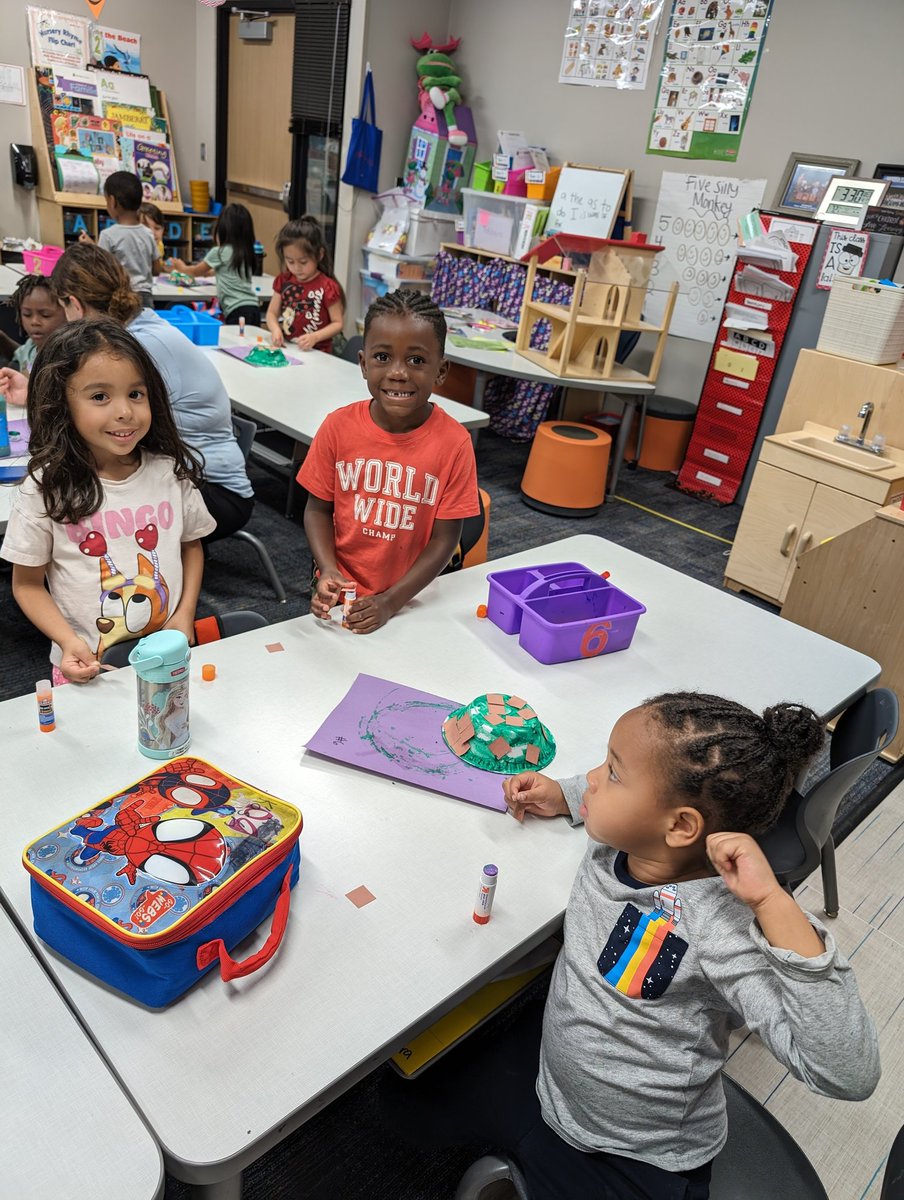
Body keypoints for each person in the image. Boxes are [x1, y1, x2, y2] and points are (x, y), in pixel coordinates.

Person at [382, 692, 880, 1200]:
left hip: (640, 1156)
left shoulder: (719, 927)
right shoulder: (629, 840)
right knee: (402, 1106)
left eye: (612, 773)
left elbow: (846, 1072)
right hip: (555, 1086)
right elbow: (617, 799)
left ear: (681, 826)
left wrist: (773, 903)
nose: (594, 779)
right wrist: (565, 793)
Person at [1, 320, 215, 684]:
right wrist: (68, 642)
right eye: (100, 396)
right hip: (89, 668)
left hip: (169, 655)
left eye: (135, 394)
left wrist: (184, 614)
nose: (125, 412)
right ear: (61, 404)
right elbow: (27, 584)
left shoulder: (168, 473)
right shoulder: (45, 488)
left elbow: (191, 547)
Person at [0, 244, 255, 540]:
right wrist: (31, 389)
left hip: (214, 491)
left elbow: (119, 429)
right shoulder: (137, 329)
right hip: (191, 472)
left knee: (74, 504)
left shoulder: (135, 347)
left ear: (74, 304)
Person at [298, 289, 480, 633]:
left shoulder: (455, 443)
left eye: (416, 361)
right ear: (364, 364)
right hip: (341, 593)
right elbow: (317, 509)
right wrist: (328, 569)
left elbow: (445, 539)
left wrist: (391, 601)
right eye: (383, 357)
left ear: (441, 371)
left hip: (412, 598)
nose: (398, 373)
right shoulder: (337, 427)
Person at [170, 203, 262, 326]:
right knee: (250, 344)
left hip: (236, 310)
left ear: (222, 230)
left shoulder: (219, 252)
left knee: (234, 344)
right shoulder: (246, 252)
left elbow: (195, 272)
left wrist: (180, 267)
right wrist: (213, 272)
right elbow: (232, 270)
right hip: (253, 307)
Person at [266, 216, 345, 352]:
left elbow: (338, 323)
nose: (296, 268)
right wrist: (275, 329)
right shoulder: (283, 281)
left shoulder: (328, 287)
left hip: (318, 353)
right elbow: (271, 313)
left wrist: (315, 337)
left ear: (319, 255)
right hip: (289, 349)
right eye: (290, 261)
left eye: (303, 262)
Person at [80, 171, 157, 307]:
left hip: (121, 298)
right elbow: (157, 268)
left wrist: (90, 248)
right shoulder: (148, 233)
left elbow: (102, 268)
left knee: (122, 328)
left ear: (112, 201)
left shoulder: (108, 235)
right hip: (146, 297)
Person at [6, 274, 66, 374]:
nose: (34, 322)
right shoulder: (30, 346)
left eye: (45, 315)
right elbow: (18, 356)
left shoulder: (66, 357)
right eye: (27, 314)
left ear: (67, 312)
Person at [138, 201, 167, 274]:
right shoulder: (133, 248)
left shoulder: (159, 245)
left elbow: (157, 269)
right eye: (146, 228)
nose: (152, 233)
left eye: (157, 228)